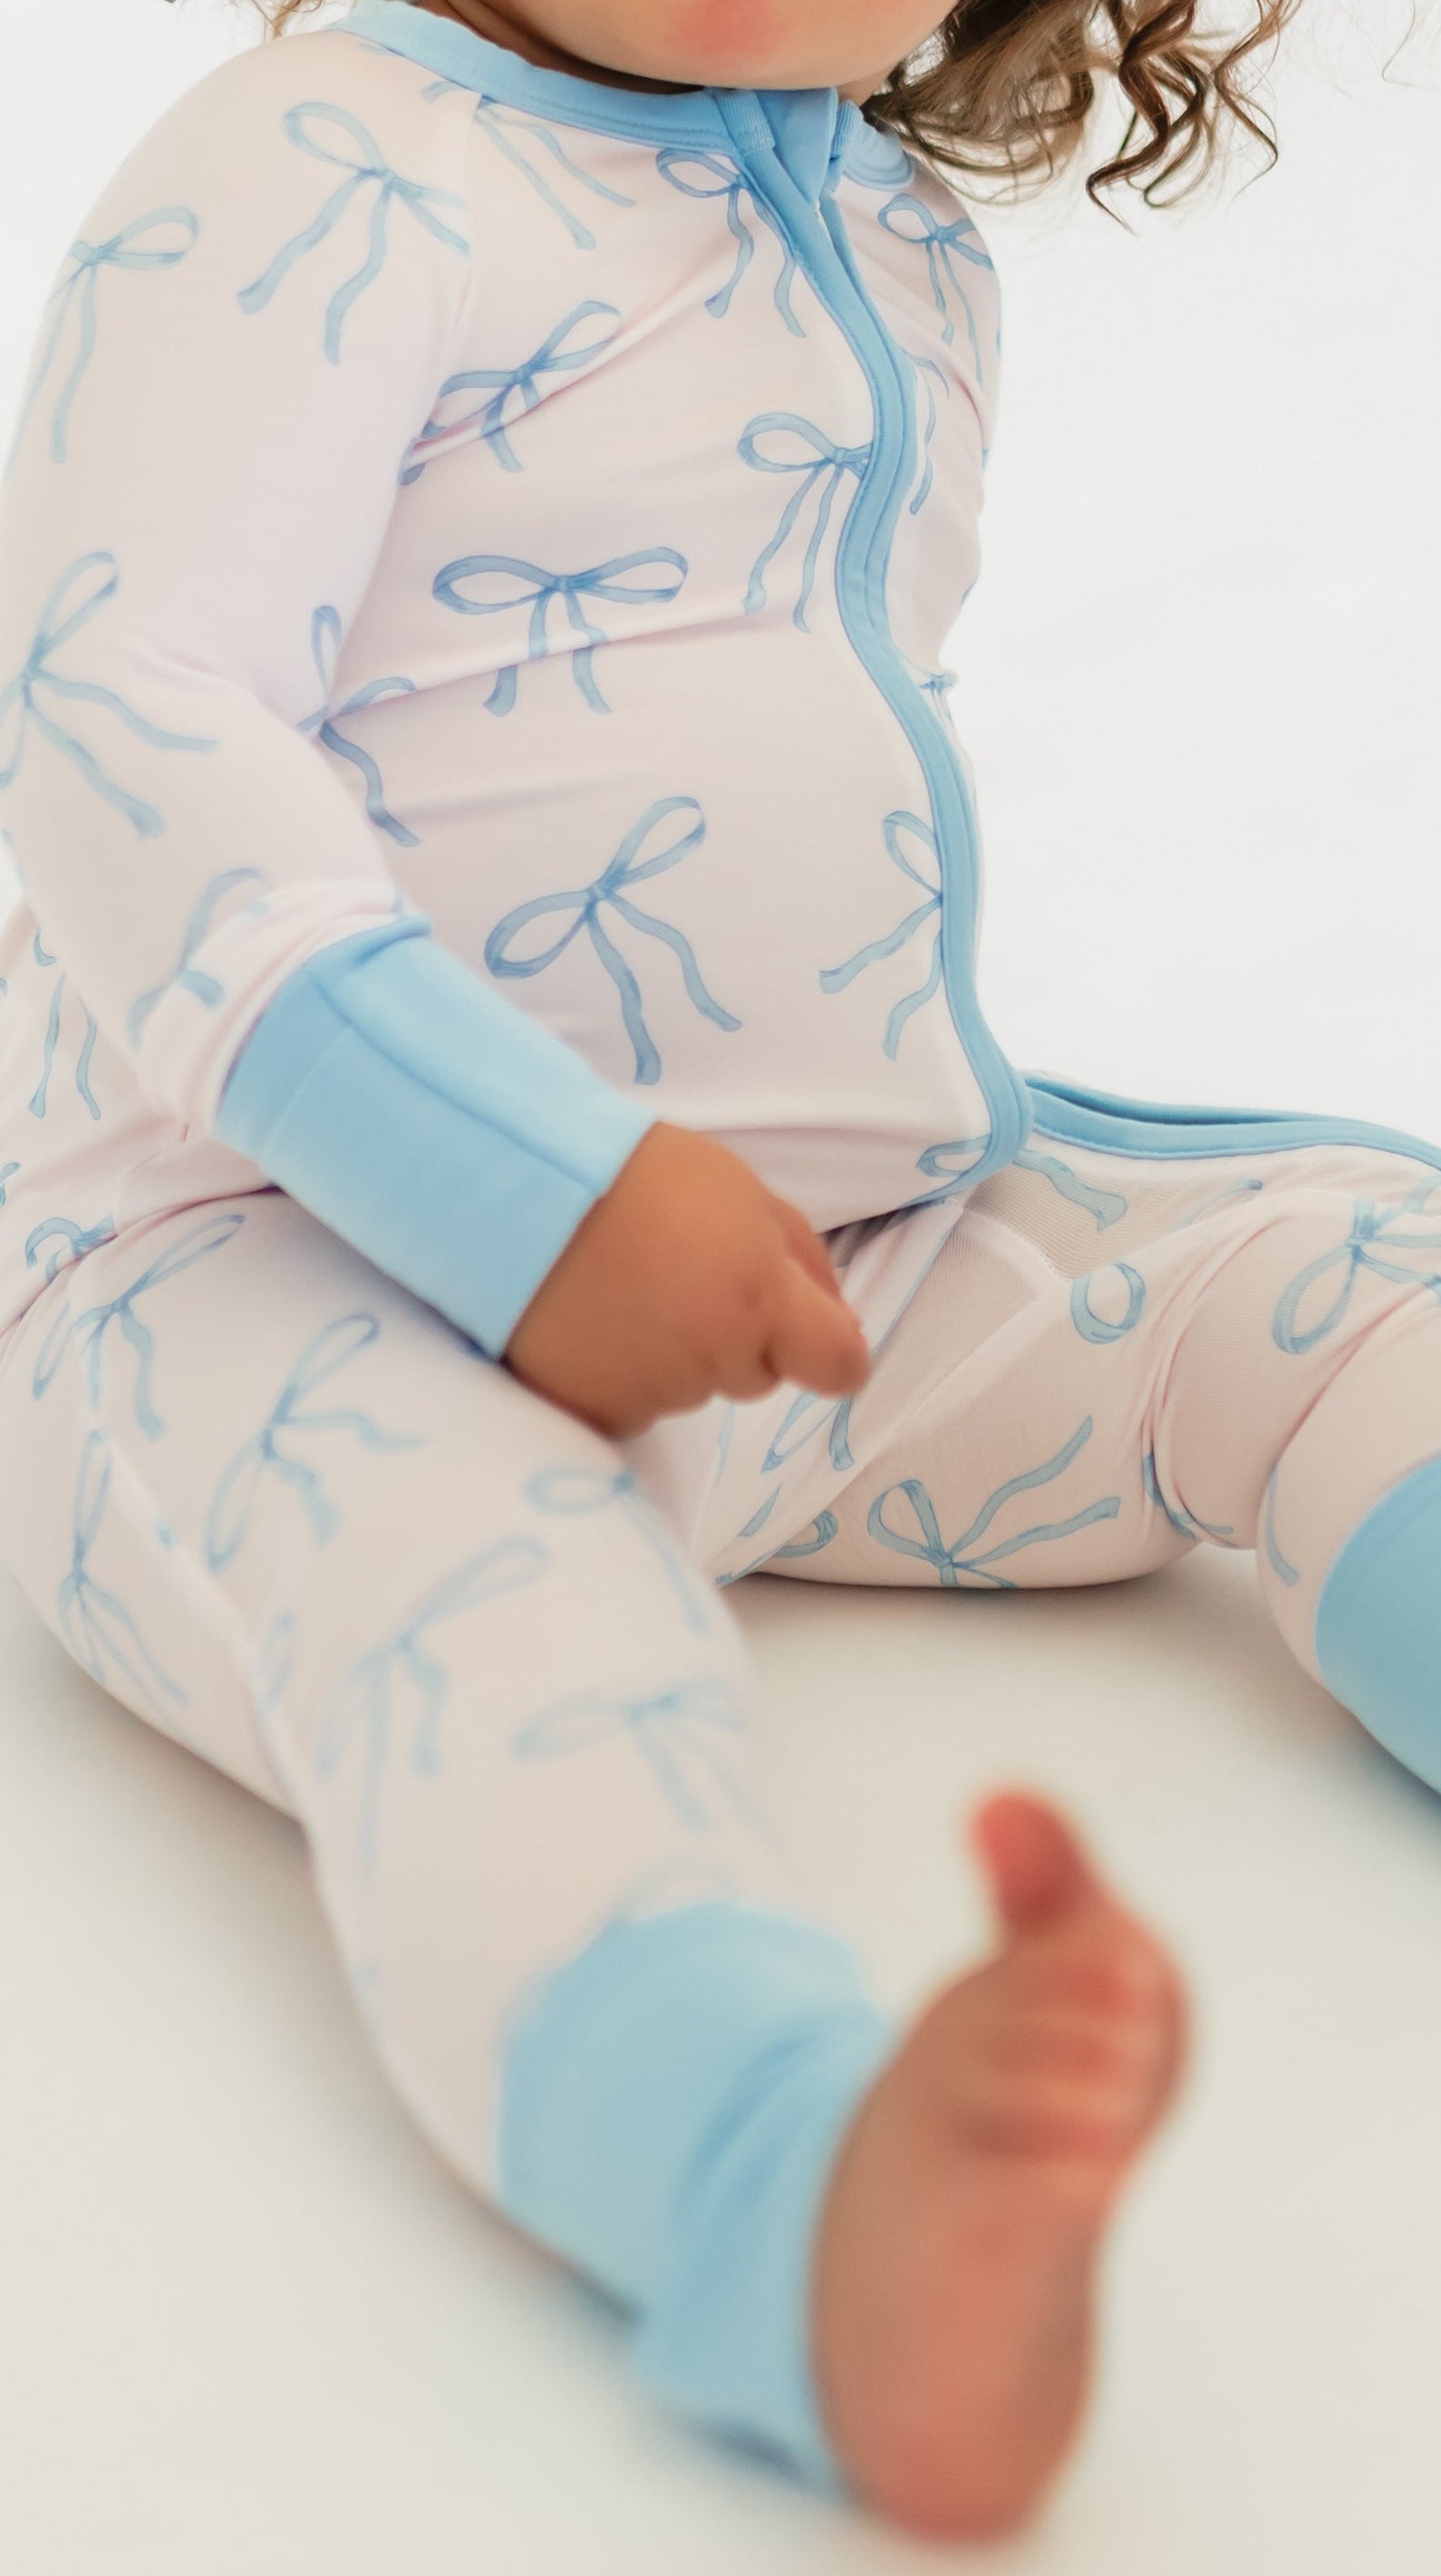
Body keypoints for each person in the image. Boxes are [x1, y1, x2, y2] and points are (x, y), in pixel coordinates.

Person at [1, 0, 1436, 2538]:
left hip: (822, 1259)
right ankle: (781, 2197)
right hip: (259, 1263)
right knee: (491, 1605)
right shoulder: (323, 160)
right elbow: (121, 708)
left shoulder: (893, 232)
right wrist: (520, 1196)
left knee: (1326, 1277)